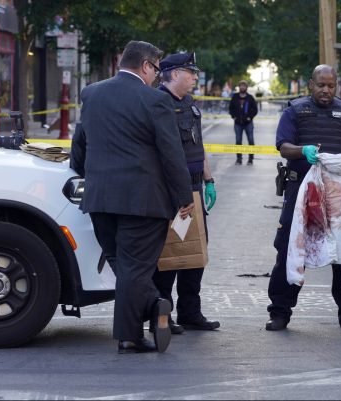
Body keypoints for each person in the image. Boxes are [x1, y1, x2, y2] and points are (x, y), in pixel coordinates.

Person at [70, 40, 194, 354]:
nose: (156, 75)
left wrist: (87, 173)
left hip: (100, 199)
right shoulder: (155, 101)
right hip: (143, 201)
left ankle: (154, 305)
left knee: (125, 267)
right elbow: (171, 153)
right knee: (136, 269)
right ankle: (130, 335)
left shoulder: (92, 93)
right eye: (156, 68)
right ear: (146, 66)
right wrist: (184, 196)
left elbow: (80, 144)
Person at [266, 64, 341, 331]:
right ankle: (280, 312)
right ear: (310, 84)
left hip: (337, 196)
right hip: (301, 193)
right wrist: (302, 150)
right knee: (290, 248)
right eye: (320, 85)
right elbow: (283, 146)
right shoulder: (295, 111)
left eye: (331, 85)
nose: (326, 90)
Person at [152, 52, 221, 334]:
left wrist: (209, 179)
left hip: (193, 186)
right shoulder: (157, 103)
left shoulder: (190, 104)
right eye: (190, 72)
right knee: (169, 257)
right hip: (170, 191)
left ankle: (191, 313)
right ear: (174, 74)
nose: (195, 77)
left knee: (196, 253)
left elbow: (198, 145)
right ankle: (162, 316)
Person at [229, 80, 258, 165]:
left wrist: (250, 117)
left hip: (248, 123)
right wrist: (233, 117)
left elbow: (255, 109)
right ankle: (239, 159)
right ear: (239, 87)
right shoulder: (235, 97)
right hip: (238, 123)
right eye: (241, 86)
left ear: (246, 87)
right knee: (238, 141)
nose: (242, 87)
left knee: (251, 140)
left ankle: (250, 159)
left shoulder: (250, 98)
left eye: (244, 86)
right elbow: (231, 108)